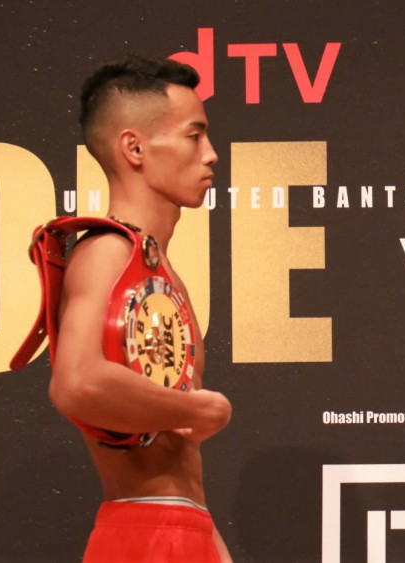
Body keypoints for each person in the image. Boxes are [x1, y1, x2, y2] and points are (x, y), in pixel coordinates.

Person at [49, 55, 232, 561]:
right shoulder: (107, 252)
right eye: (194, 136)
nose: (211, 154)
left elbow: (181, 468)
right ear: (134, 148)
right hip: (143, 534)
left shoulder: (159, 270)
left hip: (184, 530)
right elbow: (76, 383)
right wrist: (199, 408)